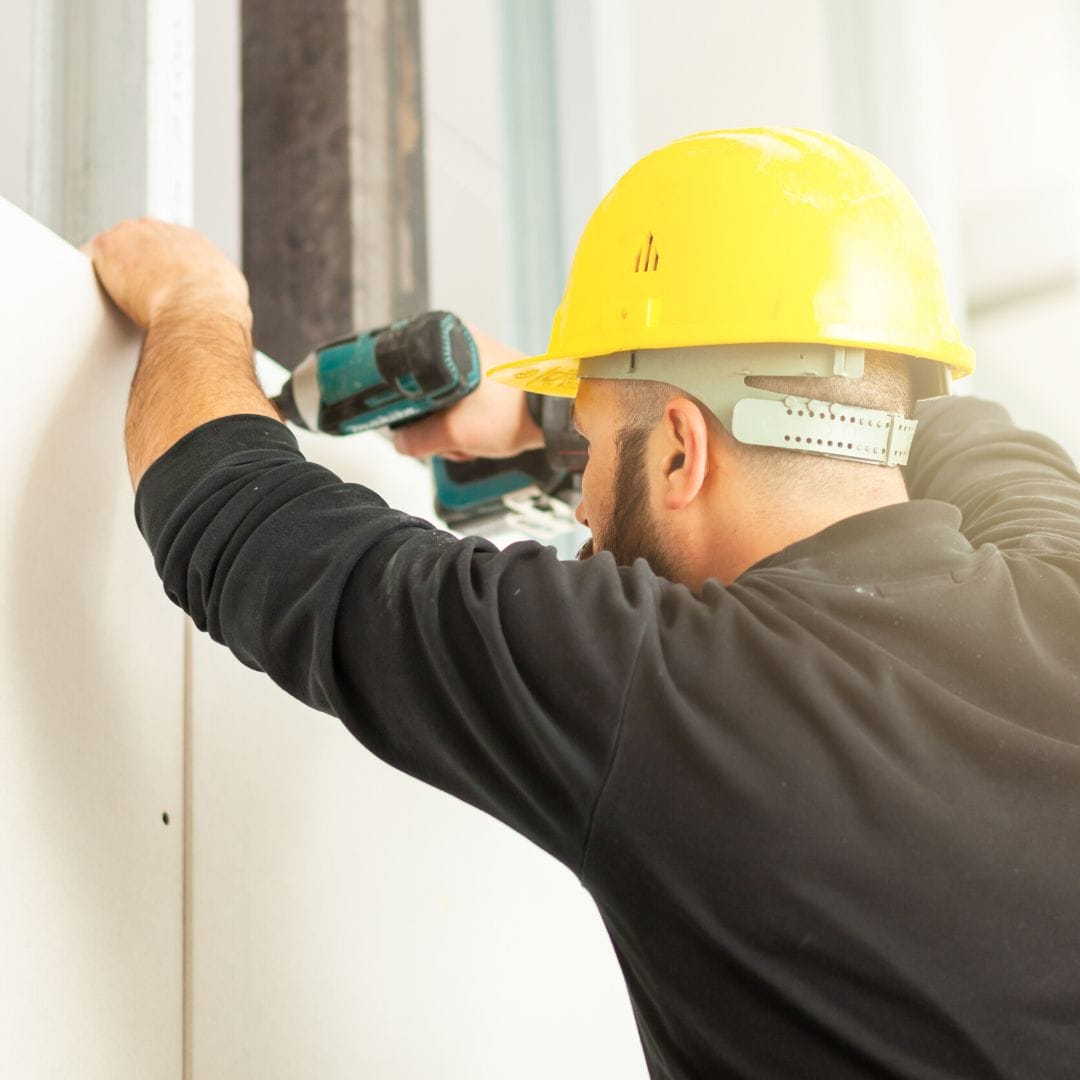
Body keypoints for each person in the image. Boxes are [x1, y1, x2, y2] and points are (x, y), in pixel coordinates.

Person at [91, 128, 1080, 1079]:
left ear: (683, 453)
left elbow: (232, 514)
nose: (585, 511)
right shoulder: (1062, 580)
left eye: (596, 452)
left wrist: (194, 301)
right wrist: (574, 415)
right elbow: (932, 424)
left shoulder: (675, 696)